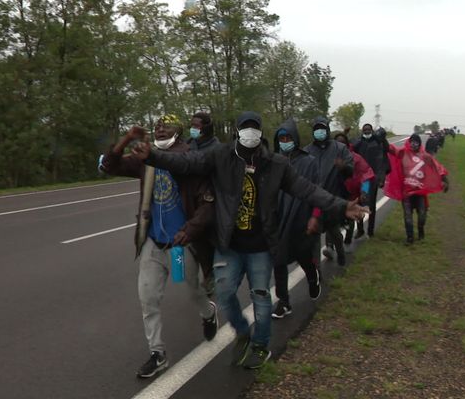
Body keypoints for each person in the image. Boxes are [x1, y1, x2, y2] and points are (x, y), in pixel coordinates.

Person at [131, 111, 369, 369]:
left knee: (261, 298)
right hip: (229, 245)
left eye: (254, 127)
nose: (250, 132)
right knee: (223, 294)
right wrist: (153, 156)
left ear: (261, 132)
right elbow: (187, 163)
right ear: (237, 131)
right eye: (245, 127)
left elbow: (307, 189)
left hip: (261, 246)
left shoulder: (276, 164)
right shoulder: (220, 156)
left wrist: (342, 206)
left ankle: (260, 345)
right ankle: (243, 331)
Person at [100, 114, 218, 378]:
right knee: (148, 299)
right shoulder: (146, 158)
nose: (161, 129)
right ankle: (158, 353)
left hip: (179, 248)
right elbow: (110, 165)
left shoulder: (190, 159)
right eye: (157, 127)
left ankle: (208, 313)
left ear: (179, 130)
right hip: (154, 245)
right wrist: (127, 138)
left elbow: (207, 205)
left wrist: (189, 230)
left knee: (192, 290)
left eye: (167, 126)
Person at [271, 119, 322, 319]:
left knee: (303, 256)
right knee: (278, 261)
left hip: (302, 218)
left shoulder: (309, 162)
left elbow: (317, 191)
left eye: (288, 138)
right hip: (278, 218)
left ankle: (312, 276)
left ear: (295, 139)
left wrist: (315, 217)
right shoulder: (273, 161)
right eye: (281, 138)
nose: (284, 141)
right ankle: (283, 302)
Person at [305, 117, 354, 266]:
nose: (319, 132)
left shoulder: (339, 148)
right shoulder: (307, 151)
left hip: (333, 198)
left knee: (334, 231)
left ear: (327, 130)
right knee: (313, 235)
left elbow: (351, 171)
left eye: (322, 129)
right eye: (316, 129)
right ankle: (315, 272)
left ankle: (340, 255)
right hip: (313, 200)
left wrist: (343, 167)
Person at [384, 134, 449, 245]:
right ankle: (410, 238)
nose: (414, 144)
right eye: (412, 141)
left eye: (416, 142)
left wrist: (444, 179)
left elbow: (437, 167)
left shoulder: (425, 156)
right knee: (408, 216)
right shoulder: (403, 153)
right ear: (409, 142)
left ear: (419, 144)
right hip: (407, 192)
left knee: (422, 215)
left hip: (420, 192)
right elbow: (390, 149)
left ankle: (421, 232)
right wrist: (382, 139)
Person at [186, 112, 220, 296]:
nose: (193, 129)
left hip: (209, 199)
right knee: (194, 241)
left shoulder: (216, 148)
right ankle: (203, 274)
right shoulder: (188, 144)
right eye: (192, 125)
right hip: (190, 199)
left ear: (206, 128)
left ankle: (210, 275)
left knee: (207, 240)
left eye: (197, 126)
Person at [334, 133, 375, 248]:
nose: (340, 145)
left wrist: (364, 191)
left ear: (347, 145)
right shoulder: (329, 158)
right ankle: (329, 246)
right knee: (332, 219)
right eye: (337, 143)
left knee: (351, 218)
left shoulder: (356, 158)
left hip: (352, 194)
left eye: (342, 143)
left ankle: (347, 241)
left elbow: (366, 174)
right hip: (334, 193)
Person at [352, 123, 385, 238]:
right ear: (362, 131)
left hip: (372, 178)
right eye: (365, 130)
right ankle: (360, 229)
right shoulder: (358, 143)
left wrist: (381, 178)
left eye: (369, 130)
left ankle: (370, 231)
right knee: (359, 203)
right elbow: (349, 150)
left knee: (371, 205)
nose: (367, 131)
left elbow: (382, 161)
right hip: (361, 179)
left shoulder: (377, 143)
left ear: (372, 130)